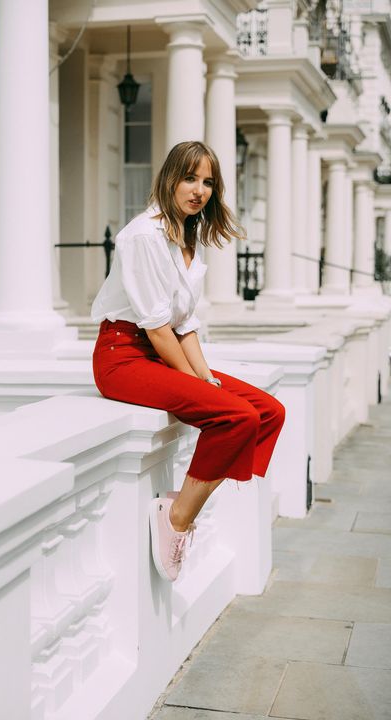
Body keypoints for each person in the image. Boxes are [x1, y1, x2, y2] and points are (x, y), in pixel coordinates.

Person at [91, 141, 285, 582]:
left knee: (269, 413)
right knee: (236, 417)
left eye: (209, 182)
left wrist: (205, 377)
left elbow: (185, 325)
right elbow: (158, 327)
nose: (199, 190)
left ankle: (191, 498)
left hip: (161, 350)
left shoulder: (187, 241)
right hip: (123, 355)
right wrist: (196, 386)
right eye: (190, 178)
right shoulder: (143, 236)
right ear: (169, 179)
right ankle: (177, 518)